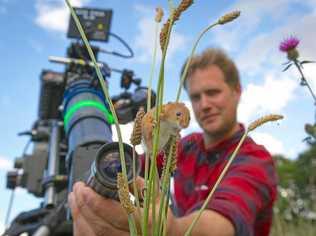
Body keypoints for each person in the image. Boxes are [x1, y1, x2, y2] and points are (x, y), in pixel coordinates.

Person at [68, 48, 277, 236]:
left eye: (213, 93)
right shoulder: (184, 146)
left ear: (236, 91)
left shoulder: (255, 159)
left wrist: (167, 228)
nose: (204, 105)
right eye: (195, 97)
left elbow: (224, 222)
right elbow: (136, 166)